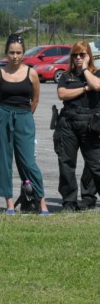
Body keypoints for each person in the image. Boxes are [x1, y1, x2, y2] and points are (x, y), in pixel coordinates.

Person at [0, 34, 49, 215]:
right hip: (2, 117)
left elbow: (35, 100)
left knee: (28, 162)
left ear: (23, 53)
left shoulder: (31, 73)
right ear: (6, 53)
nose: (15, 56)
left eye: (18, 53)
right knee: (3, 160)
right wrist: (6, 114)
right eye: (12, 52)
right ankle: (9, 203)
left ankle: (41, 202)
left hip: (24, 117)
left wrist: (23, 117)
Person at [53, 41, 100, 212]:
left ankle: (89, 198)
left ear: (89, 56)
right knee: (66, 163)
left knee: (96, 164)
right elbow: (62, 94)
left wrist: (86, 70)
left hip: (90, 124)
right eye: (75, 55)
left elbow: (97, 85)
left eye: (82, 55)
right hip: (68, 123)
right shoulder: (67, 76)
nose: (78, 58)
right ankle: (69, 201)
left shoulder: (97, 73)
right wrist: (85, 88)